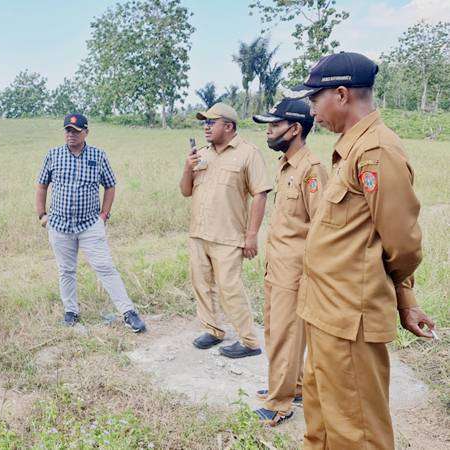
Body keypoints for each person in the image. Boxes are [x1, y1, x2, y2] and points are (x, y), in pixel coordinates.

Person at [285, 51, 436, 448]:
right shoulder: (350, 148)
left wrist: (405, 298)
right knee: (321, 423)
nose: (312, 112)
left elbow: (401, 243)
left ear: (340, 95)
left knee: (357, 433)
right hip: (324, 313)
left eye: (314, 100)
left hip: (349, 318)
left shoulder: (376, 151)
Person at [250, 98, 327, 426]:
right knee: (276, 329)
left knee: (285, 334)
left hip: (295, 271)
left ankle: (279, 403)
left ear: (295, 129)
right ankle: (291, 386)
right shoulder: (286, 165)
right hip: (276, 265)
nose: (268, 131)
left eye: (274, 125)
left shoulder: (312, 169)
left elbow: (322, 227)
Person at [36, 114, 146, 332]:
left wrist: (104, 215)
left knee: (105, 267)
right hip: (59, 225)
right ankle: (71, 311)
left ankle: (128, 312)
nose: (70, 134)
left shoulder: (98, 155)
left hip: (89, 224)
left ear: (86, 132)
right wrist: (42, 216)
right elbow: (41, 186)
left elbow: (110, 186)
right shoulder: (53, 155)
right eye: (67, 130)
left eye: (75, 131)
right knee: (66, 270)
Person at [179, 102, 272, 358]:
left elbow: (260, 194)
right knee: (202, 284)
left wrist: (251, 235)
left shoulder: (247, 153)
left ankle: (249, 342)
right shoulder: (202, 154)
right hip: (199, 232)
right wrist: (188, 167)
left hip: (228, 236)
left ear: (229, 126)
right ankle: (213, 330)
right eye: (205, 123)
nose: (206, 127)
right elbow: (186, 191)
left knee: (231, 288)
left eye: (211, 122)